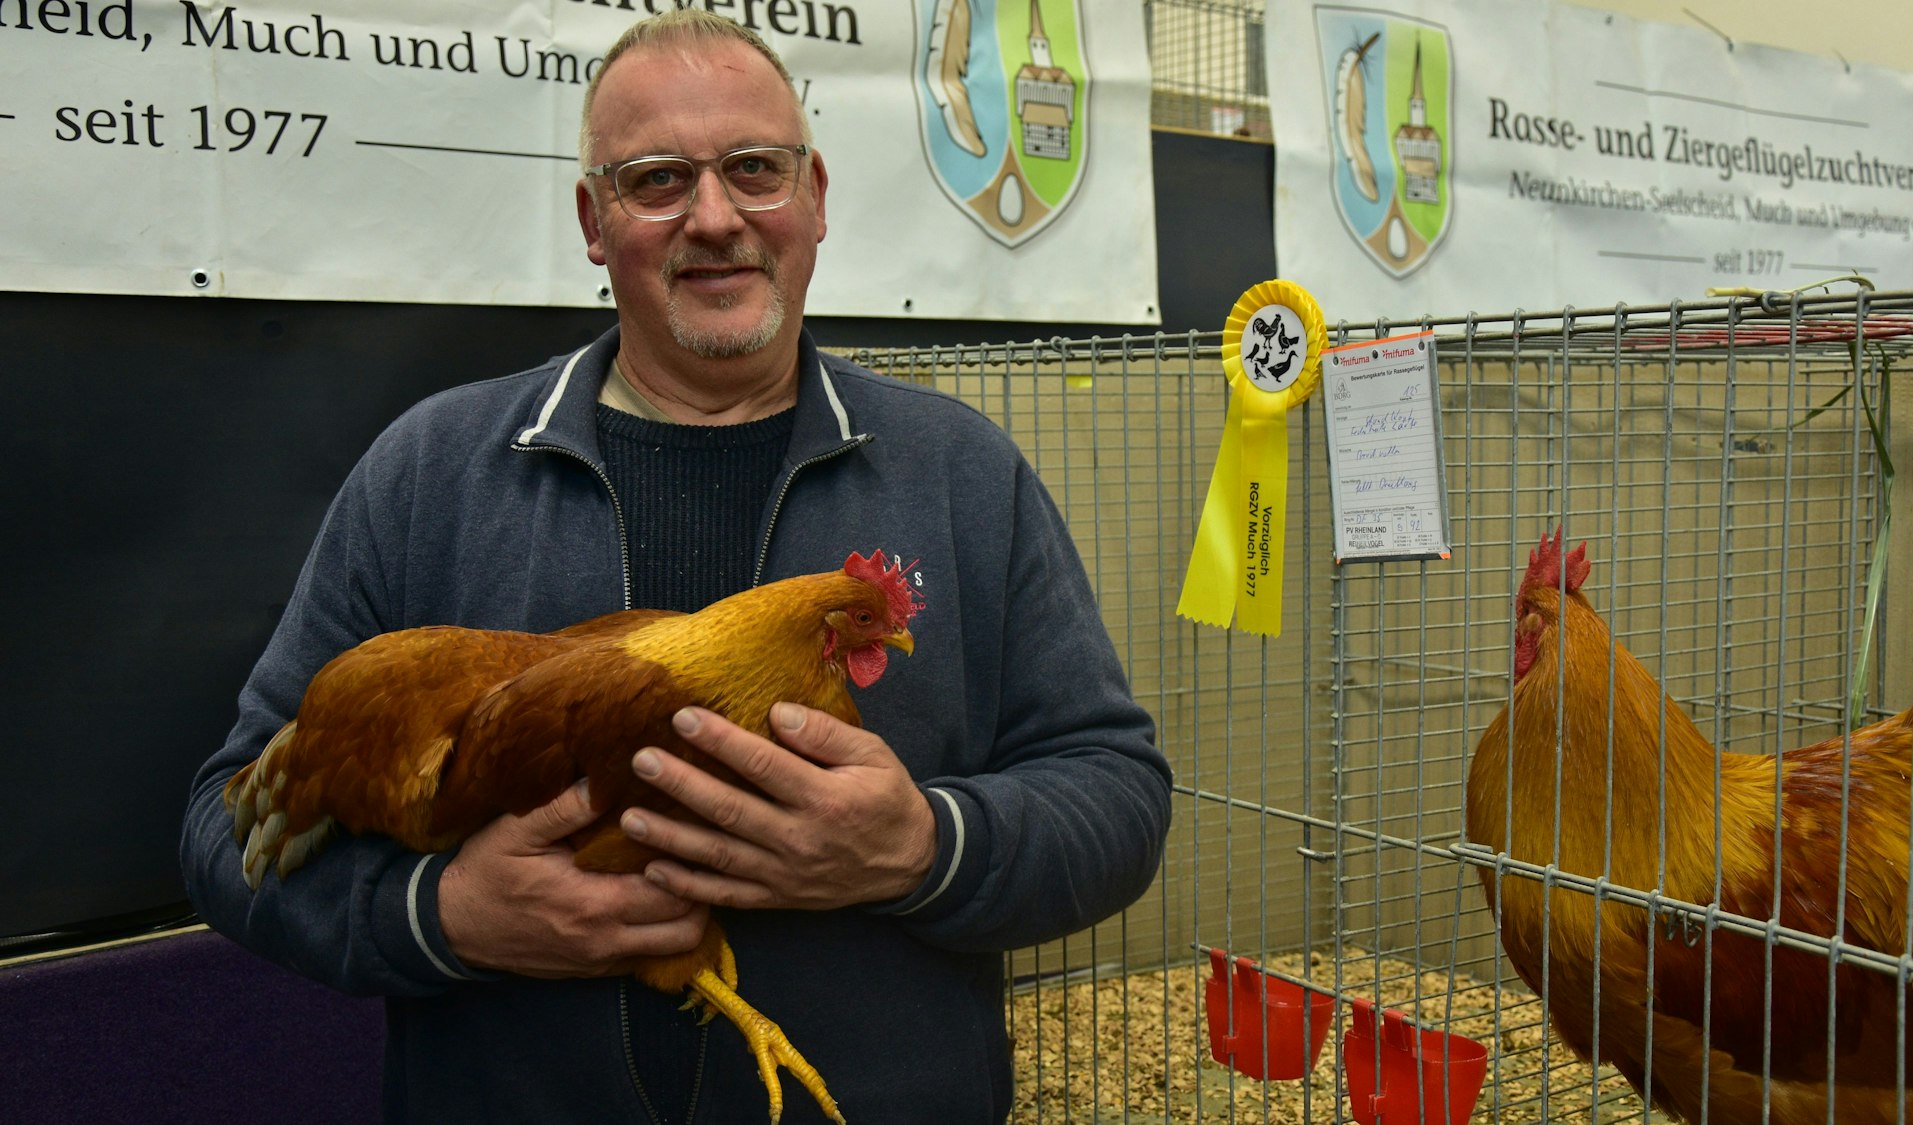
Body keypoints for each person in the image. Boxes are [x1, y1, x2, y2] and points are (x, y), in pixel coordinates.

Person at [179, 10, 1173, 1124]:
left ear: (814, 198)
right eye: (655, 180)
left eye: (755, 168)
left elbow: (1118, 799)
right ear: (594, 222)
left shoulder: (962, 475)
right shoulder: (432, 472)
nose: (714, 217)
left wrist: (920, 848)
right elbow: (225, 828)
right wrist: (443, 916)